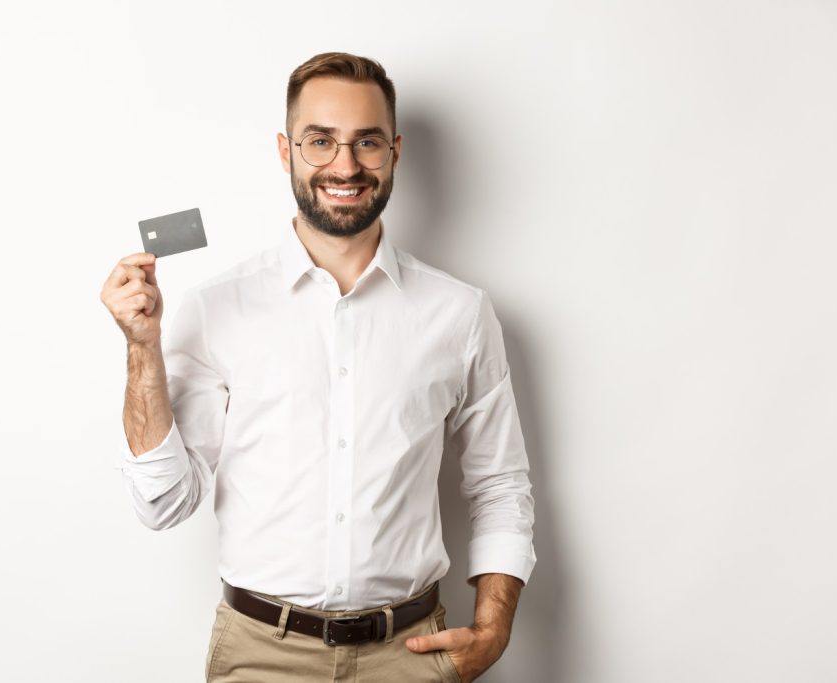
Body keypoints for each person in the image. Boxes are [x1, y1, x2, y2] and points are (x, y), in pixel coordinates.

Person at [100, 52, 536, 683]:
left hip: (410, 655)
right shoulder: (215, 308)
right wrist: (142, 348)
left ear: (395, 151)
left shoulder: (460, 313)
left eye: (367, 142)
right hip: (261, 657)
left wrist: (495, 628)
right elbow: (163, 502)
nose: (346, 165)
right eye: (320, 141)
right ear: (285, 151)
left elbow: (499, 484)